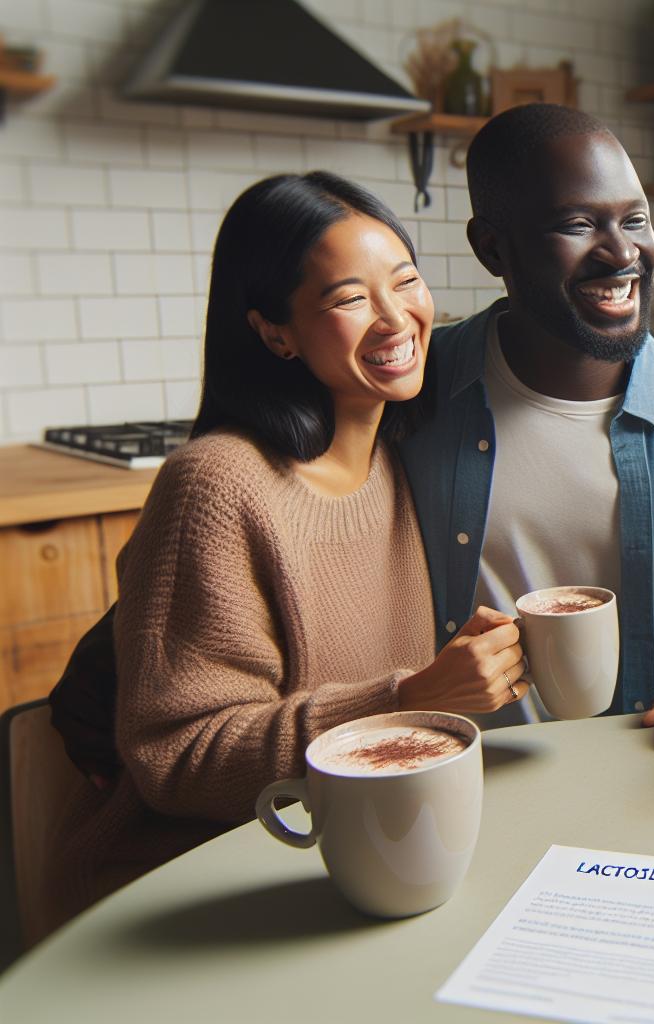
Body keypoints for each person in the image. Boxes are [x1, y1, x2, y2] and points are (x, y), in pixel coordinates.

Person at [50, 173, 526, 926]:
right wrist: (408, 701)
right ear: (275, 332)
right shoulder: (218, 486)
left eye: (405, 281)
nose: (396, 317)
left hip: (360, 857)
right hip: (197, 888)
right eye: (349, 298)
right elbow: (177, 758)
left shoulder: (404, 460)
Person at [399, 104, 654, 763]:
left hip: (645, 785)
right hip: (452, 780)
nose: (622, 252)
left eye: (634, 220)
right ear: (492, 248)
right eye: (577, 224)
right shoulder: (412, 399)